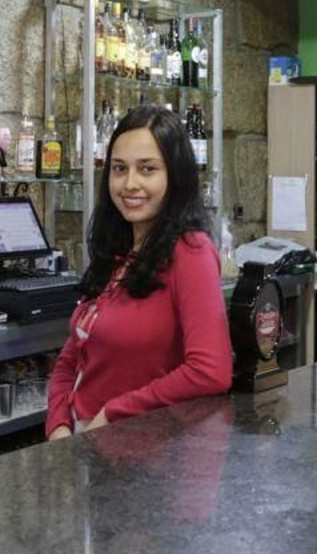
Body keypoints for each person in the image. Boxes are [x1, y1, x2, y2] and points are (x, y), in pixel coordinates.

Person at [45, 104, 232, 439]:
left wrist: (114, 412)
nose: (129, 183)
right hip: (88, 445)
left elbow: (210, 370)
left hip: (149, 456)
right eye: (119, 169)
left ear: (175, 176)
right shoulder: (117, 253)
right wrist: (58, 424)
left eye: (147, 169)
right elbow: (72, 356)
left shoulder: (191, 252)